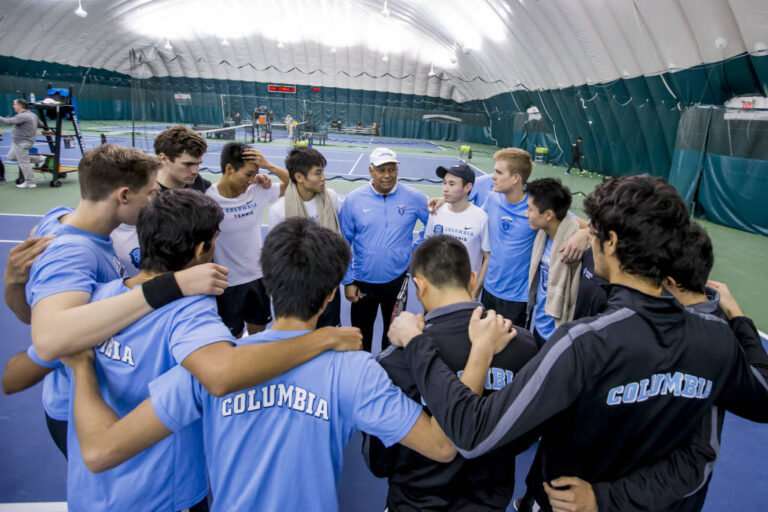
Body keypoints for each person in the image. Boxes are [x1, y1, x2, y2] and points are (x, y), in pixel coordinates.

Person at [387, 174, 768, 512]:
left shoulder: (583, 343)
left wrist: (417, 342)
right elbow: (754, 404)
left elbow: (472, 432)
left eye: (595, 233)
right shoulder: (716, 337)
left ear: (612, 243)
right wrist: (739, 319)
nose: (589, 239)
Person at [62, 217, 456, 511]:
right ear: (329, 296)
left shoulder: (208, 367)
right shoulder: (355, 370)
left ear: (267, 283)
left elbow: (100, 452)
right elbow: (441, 446)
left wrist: (81, 367)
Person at [1, 145, 226, 457]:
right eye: (150, 193)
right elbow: (50, 338)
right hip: (81, 405)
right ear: (123, 195)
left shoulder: (56, 220)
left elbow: (37, 315)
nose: (154, 200)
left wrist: (13, 284)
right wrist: (169, 286)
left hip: (93, 392)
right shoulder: (75, 252)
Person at [364, 235, 538, 511]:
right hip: (489, 500)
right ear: (472, 279)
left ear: (419, 287)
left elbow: (380, 461)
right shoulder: (525, 345)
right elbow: (526, 435)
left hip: (414, 502)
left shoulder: (393, 360)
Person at [339, 147, 429, 352]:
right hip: (362, 282)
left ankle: (388, 376)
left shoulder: (414, 198)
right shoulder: (353, 200)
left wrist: (416, 248)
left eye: (392, 169)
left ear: (397, 169)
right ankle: (363, 375)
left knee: (394, 337)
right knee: (361, 337)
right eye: (381, 170)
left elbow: (433, 222)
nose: (387, 175)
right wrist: (348, 281)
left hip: (397, 282)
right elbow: (344, 242)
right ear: (371, 171)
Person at [206, 142, 289, 337]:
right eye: (248, 174)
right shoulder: (208, 198)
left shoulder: (258, 191)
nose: (251, 180)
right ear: (229, 169)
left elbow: (296, 183)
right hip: (226, 284)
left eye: (254, 174)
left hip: (257, 279)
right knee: (231, 339)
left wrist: (269, 167)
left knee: (258, 335)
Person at [111, 125, 214, 277]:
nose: (195, 171)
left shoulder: (201, 186)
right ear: (163, 158)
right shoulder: (142, 198)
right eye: (188, 164)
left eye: (198, 164)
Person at [268, 146, 342, 327]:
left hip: (329, 285)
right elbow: (278, 258)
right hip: (298, 291)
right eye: (317, 173)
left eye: (323, 171)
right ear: (299, 177)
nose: (323, 177)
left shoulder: (331, 198)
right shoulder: (279, 211)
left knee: (329, 333)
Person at [525, 178, 582, 347]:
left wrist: (586, 234)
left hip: (559, 334)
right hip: (539, 326)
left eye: (530, 209)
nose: (526, 214)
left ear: (549, 215)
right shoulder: (543, 235)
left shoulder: (576, 247)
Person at [425, 164, 489, 300]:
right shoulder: (436, 211)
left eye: (452, 184)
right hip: (436, 292)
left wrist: (476, 291)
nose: (445, 189)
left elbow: (487, 257)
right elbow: (428, 249)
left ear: (467, 187)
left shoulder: (481, 217)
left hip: (465, 295)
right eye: (444, 183)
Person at [0, 98, 43, 188]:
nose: (13, 106)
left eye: (14, 104)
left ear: (20, 106)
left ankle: (30, 182)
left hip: (21, 142)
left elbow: (8, 121)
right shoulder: (32, 115)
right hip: (21, 142)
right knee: (11, 157)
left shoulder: (22, 116)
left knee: (24, 163)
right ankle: (39, 159)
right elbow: (41, 124)